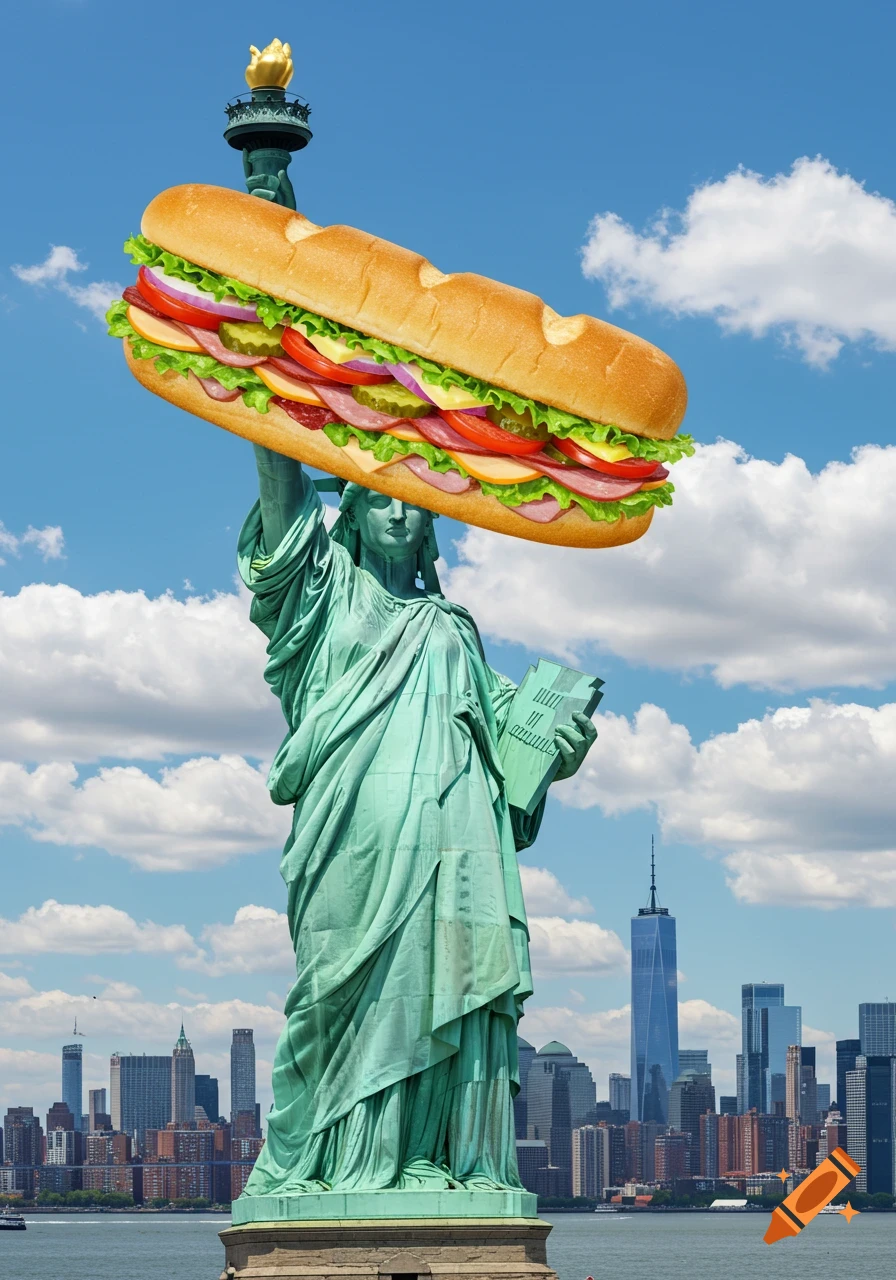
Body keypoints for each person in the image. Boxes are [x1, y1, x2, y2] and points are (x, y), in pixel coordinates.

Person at [238, 444, 596, 1196]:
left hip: (456, 838)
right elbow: (281, 484)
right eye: (382, 498)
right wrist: (266, 387)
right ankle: (322, 1161)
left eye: (416, 501)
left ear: (435, 523)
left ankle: (427, 1157)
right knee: (334, 994)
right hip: (353, 835)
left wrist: (558, 747)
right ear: (353, 516)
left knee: (445, 987)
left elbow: (508, 739)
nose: (400, 511)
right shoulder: (323, 595)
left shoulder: (452, 627)